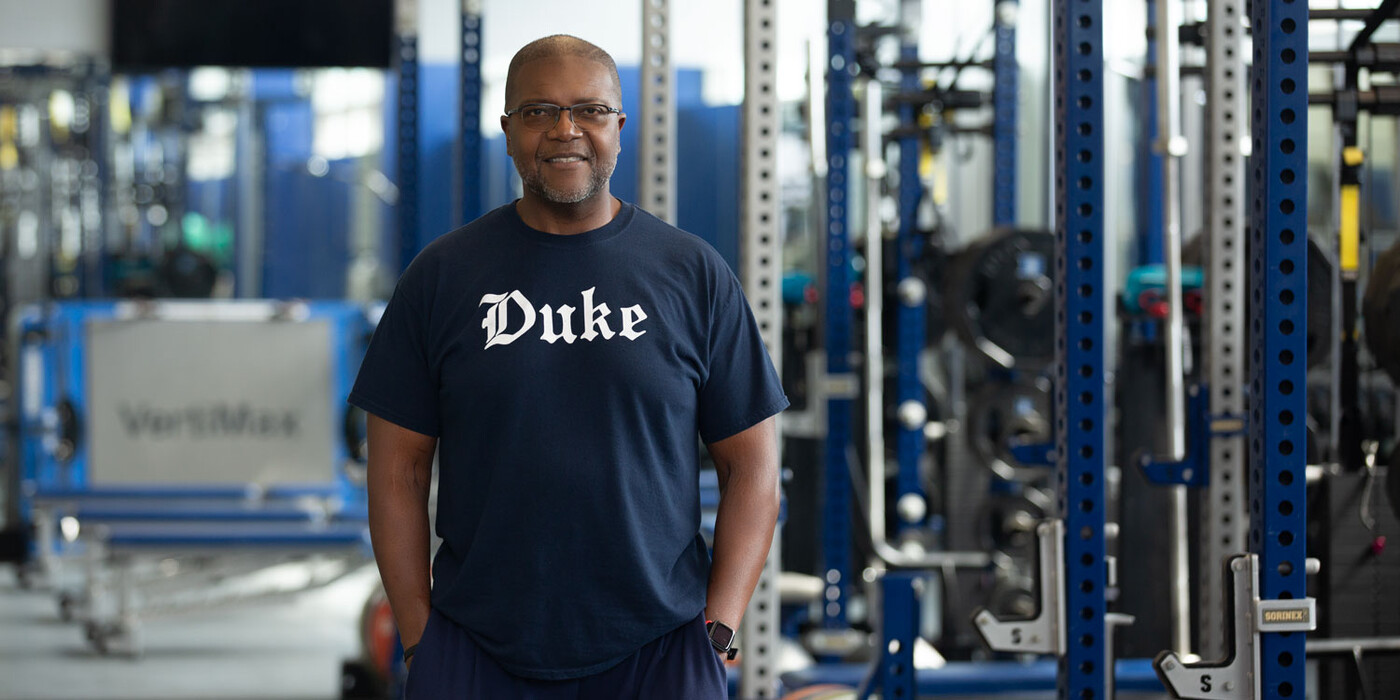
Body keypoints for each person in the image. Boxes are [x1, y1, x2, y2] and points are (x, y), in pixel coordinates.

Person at [349, 34, 788, 699]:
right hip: (477, 648)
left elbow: (752, 467)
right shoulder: (441, 278)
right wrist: (421, 639)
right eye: (538, 112)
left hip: (659, 649)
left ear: (619, 125)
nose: (565, 130)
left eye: (589, 110)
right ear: (506, 130)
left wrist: (717, 631)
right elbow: (397, 470)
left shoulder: (692, 275)